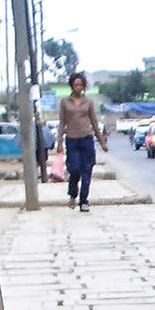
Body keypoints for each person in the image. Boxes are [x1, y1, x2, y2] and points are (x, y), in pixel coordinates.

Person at [56, 72, 108, 212]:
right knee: (74, 169)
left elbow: (94, 122)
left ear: (84, 86)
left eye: (80, 85)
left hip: (86, 139)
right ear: (72, 86)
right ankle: (73, 194)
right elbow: (62, 123)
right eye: (75, 84)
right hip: (72, 139)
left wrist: (101, 142)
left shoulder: (88, 102)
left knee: (87, 170)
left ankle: (84, 201)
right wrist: (59, 142)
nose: (78, 87)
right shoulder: (65, 102)